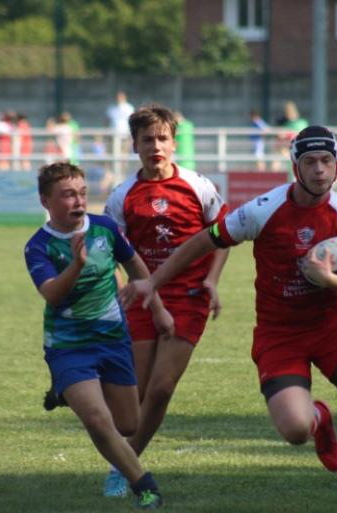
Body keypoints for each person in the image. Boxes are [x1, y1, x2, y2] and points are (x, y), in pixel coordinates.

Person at [120, 126, 337, 513]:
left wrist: (331, 279)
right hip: (279, 336)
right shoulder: (262, 209)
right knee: (296, 430)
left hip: (332, 329)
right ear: (295, 166)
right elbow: (205, 239)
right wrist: (153, 281)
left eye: (326, 162)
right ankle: (320, 419)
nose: (319, 170)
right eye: (310, 162)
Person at [85, 104, 229, 497]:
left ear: (174, 142)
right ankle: (122, 440)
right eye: (147, 139)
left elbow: (223, 236)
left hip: (189, 297)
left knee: (163, 388)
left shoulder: (198, 186)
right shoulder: (123, 196)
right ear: (134, 145)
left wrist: (212, 280)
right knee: (134, 399)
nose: (156, 146)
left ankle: (126, 464)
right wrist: (118, 288)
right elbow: (110, 249)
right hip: (142, 299)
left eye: (162, 138)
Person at [24, 161, 171, 509]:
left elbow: (135, 264)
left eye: (82, 193)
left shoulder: (104, 228)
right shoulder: (38, 246)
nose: (77, 201)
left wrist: (156, 305)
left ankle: (68, 392)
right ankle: (145, 486)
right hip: (68, 346)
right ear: (46, 201)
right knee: (97, 419)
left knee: (128, 424)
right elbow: (52, 294)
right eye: (67, 195)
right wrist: (76, 264)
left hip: (112, 339)